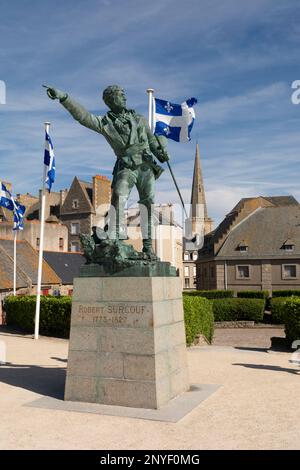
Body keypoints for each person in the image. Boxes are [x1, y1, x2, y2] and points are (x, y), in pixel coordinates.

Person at [45, 84, 169, 258]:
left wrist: (162, 151)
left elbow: (152, 142)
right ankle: (116, 237)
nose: (124, 97)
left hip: (145, 167)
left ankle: (148, 246)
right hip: (126, 166)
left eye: (124, 94)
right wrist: (64, 97)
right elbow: (83, 117)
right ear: (111, 100)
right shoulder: (105, 123)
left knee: (147, 204)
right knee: (119, 194)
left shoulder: (139, 119)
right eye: (120, 95)